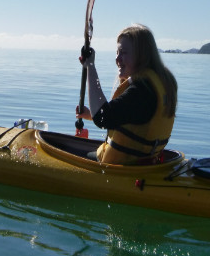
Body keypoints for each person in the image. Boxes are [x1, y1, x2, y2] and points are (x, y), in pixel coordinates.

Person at [76, 24, 178, 164]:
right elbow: (134, 117)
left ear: (142, 55)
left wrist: (90, 67)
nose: (118, 59)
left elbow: (102, 117)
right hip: (144, 163)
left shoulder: (143, 91)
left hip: (122, 169)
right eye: (117, 52)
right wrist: (90, 115)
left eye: (123, 52)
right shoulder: (161, 81)